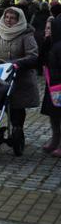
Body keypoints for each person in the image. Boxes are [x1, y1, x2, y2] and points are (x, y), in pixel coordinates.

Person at [0, 7, 39, 147]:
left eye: (12, 18)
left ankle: (17, 130)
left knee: (17, 107)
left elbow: (33, 55)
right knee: (6, 105)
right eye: (7, 17)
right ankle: (12, 128)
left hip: (20, 78)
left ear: (18, 20)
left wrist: (15, 63)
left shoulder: (26, 34)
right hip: (2, 76)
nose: (8, 20)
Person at [42, 13, 61, 156]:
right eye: (46, 28)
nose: (47, 31)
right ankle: (55, 139)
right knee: (53, 114)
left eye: (50, 29)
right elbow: (41, 60)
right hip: (52, 84)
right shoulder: (50, 43)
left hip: (57, 83)